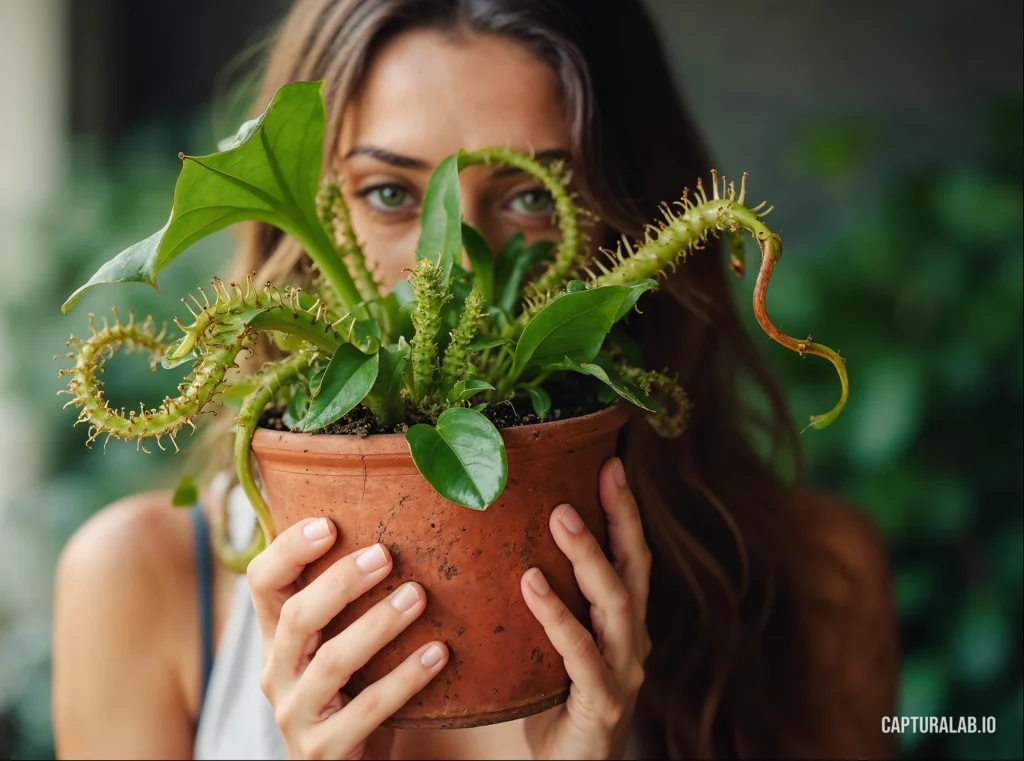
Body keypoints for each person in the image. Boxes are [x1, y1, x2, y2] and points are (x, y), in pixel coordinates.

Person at [51, 1, 899, 758]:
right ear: (313, 219)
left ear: (625, 212)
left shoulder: (817, 586)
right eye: (389, 191)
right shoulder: (140, 584)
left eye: (532, 199)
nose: (453, 264)